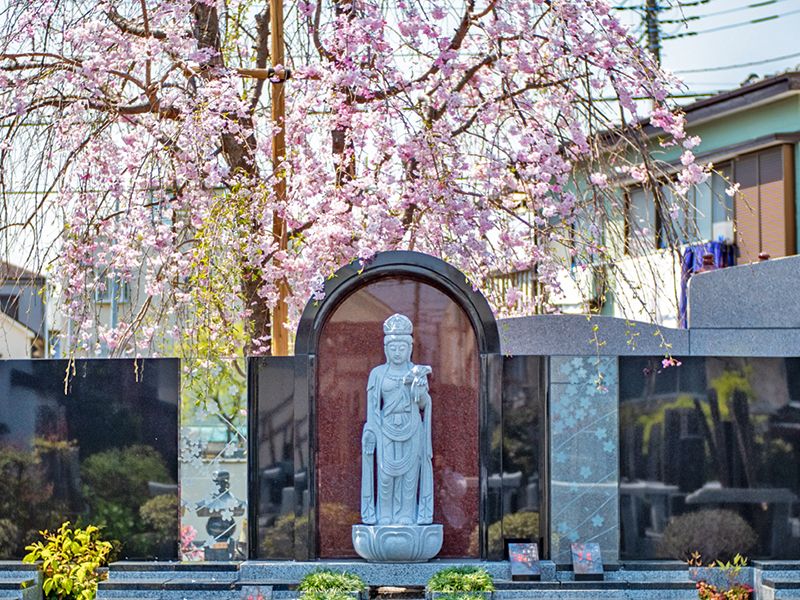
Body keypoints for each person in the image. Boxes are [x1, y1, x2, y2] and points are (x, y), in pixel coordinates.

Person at [360, 313, 433, 526]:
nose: (398, 352)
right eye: (393, 348)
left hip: (411, 426)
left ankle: (405, 516)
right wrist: (371, 431)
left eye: (402, 348)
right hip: (385, 427)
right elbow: (372, 408)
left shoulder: (415, 371)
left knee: (409, 477)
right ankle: (384, 515)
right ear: (386, 349)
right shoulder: (378, 374)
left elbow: (422, 404)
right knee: (385, 475)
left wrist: (418, 388)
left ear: (409, 348)